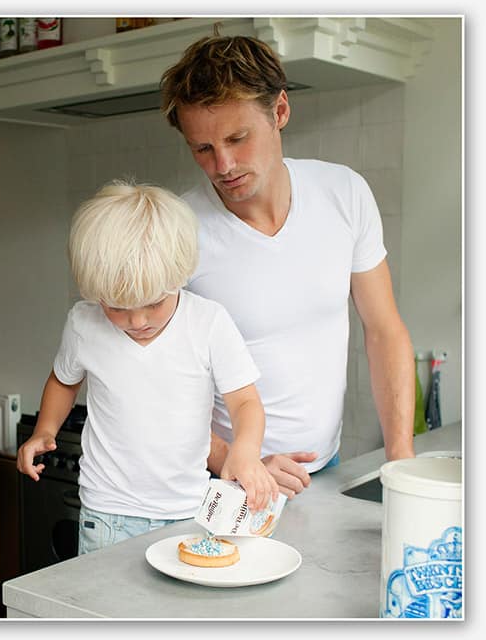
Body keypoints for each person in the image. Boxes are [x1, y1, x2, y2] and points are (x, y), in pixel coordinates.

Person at [159, 35, 416, 499]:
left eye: (238, 138)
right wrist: (236, 461)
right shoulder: (177, 229)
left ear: (279, 112)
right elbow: (154, 383)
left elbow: (383, 330)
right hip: (220, 482)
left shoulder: (345, 193)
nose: (223, 165)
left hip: (324, 468)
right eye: (202, 149)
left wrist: (399, 458)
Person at [16, 181, 279, 553]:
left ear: (181, 276)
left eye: (153, 303)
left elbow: (245, 402)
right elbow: (63, 381)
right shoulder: (83, 323)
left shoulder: (208, 323)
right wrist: (45, 428)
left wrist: (246, 450)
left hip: (185, 512)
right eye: (117, 307)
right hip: (106, 513)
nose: (137, 320)